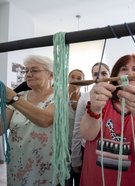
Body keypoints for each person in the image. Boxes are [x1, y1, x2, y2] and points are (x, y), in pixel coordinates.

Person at [79, 54, 135, 186]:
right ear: (116, 75)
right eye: (124, 69)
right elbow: (87, 135)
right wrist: (94, 108)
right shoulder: (102, 99)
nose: (130, 73)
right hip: (98, 178)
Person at [0, 55, 54, 185]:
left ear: (50, 75)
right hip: (17, 166)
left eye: (34, 70)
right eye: (26, 71)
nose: (28, 74)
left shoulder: (59, 97)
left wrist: (13, 99)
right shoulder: (20, 96)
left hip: (44, 169)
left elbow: (45, 120)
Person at [70, 62, 110, 183]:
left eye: (104, 73)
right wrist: (75, 157)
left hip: (109, 150)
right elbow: (77, 128)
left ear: (110, 74)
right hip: (87, 148)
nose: (100, 77)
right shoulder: (85, 97)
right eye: (95, 74)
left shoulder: (117, 96)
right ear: (92, 77)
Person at [66, 69, 85, 186]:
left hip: (81, 147)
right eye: (72, 77)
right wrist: (68, 95)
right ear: (68, 79)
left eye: (79, 78)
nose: (75, 80)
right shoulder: (59, 98)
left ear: (84, 81)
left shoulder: (86, 99)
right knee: (66, 180)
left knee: (80, 180)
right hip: (64, 148)